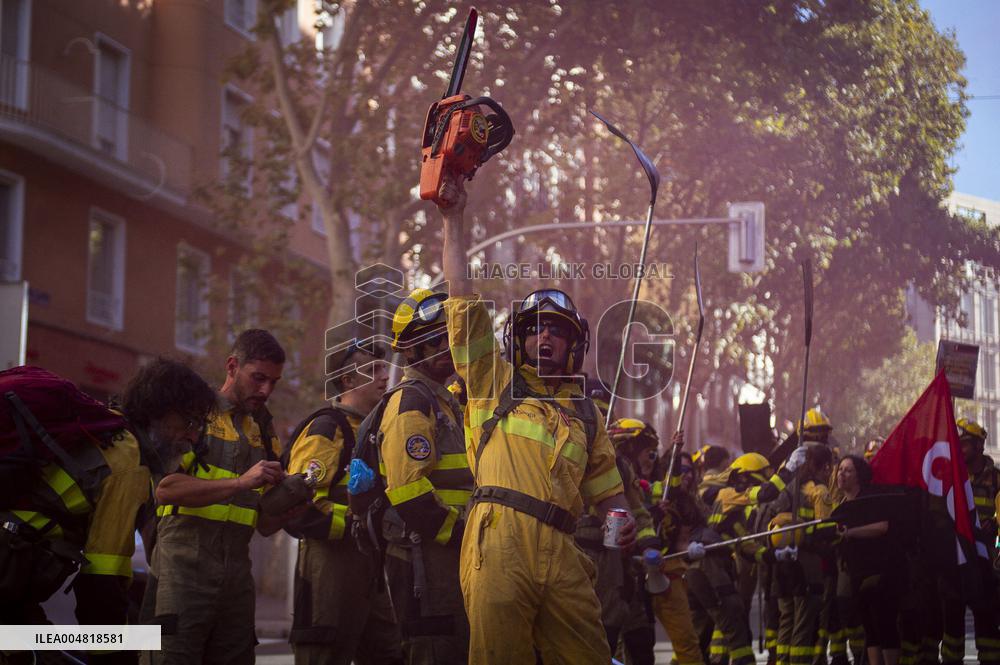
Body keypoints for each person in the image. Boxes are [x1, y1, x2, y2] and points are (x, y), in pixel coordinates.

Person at [439, 173, 635, 664]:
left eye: (557, 332)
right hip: (499, 539)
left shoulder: (585, 413)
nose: (544, 339)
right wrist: (453, 219)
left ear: (573, 345)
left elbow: (609, 494)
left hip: (565, 551)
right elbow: (461, 300)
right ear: (518, 339)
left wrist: (623, 518)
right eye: (535, 330)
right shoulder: (490, 380)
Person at [0, 359, 216, 662]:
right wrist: (114, 656)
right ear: (158, 412)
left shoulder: (109, 430)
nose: (194, 437)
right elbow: (102, 580)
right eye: (189, 422)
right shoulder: (128, 464)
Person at [142, 329, 297, 665]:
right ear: (231, 366)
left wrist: (296, 498)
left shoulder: (264, 432)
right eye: (258, 378)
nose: (266, 390)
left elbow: (266, 526)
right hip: (182, 574)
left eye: (273, 382)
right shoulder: (194, 415)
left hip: (237, 581)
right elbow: (165, 488)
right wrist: (242, 482)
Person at [284, 337, 403, 665]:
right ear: (348, 380)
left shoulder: (376, 431)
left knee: (390, 653)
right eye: (373, 369)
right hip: (329, 570)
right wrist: (358, 524)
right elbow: (300, 508)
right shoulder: (327, 428)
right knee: (325, 653)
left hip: (371, 570)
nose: (384, 376)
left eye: (384, 368)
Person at [379, 288, 473, 665]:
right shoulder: (412, 402)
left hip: (445, 552)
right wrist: (463, 534)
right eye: (442, 338)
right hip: (426, 555)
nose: (452, 345)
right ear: (415, 348)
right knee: (436, 649)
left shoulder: (442, 401)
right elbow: (408, 491)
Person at [938, 419, 1000, 665]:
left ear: (978, 446)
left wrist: (995, 528)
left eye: (963, 444)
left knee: (986, 620)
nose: (958, 450)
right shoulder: (948, 477)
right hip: (954, 561)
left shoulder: (995, 480)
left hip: (985, 563)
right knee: (951, 622)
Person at [834, 455, 903, 665]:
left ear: (859, 476)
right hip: (856, 572)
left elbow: (882, 526)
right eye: (840, 470)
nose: (842, 475)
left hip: (880, 571)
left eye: (848, 470)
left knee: (884, 621)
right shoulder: (841, 506)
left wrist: (851, 533)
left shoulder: (870, 499)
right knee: (869, 626)